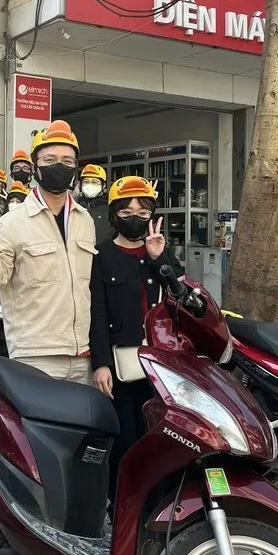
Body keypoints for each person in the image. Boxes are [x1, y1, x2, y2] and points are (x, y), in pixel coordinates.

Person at [0, 120, 95, 382]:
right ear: (35, 166)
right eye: (50, 159)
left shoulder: (85, 220)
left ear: (76, 167)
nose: (59, 166)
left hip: (83, 354)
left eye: (67, 160)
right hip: (35, 354)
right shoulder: (13, 223)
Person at [89, 176, 181, 500]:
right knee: (125, 440)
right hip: (120, 367)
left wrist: (160, 260)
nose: (136, 216)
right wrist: (100, 364)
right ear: (113, 215)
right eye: (127, 210)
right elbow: (97, 314)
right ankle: (122, 507)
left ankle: (159, 503)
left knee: (159, 437)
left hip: (160, 365)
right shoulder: (100, 256)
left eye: (143, 211)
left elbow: (180, 296)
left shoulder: (158, 253)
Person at [77, 163, 111, 245]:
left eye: (95, 182)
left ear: (104, 186)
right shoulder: (74, 207)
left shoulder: (110, 209)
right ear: (80, 185)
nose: (90, 185)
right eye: (86, 182)